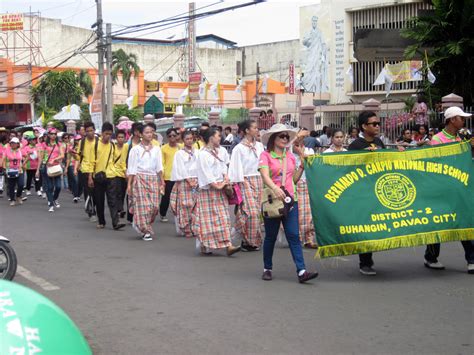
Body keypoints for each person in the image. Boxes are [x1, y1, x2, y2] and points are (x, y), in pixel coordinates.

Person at [258, 124, 319, 283]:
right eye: (282, 136)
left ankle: (302, 271)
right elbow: (265, 176)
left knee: (293, 235)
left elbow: (294, 180)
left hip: (291, 200)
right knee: (270, 236)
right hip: (273, 200)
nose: (285, 139)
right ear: (273, 139)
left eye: (287, 136)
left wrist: (302, 165)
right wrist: (275, 188)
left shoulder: (290, 156)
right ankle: (267, 268)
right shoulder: (265, 155)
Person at [424, 106, 474, 274]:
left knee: (464, 221)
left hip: (459, 189)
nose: (464, 121)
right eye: (461, 118)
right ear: (452, 120)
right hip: (441, 189)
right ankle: (431, 257)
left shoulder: (462, 138)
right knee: (437, 223)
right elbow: (433, 165)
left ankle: (472, 260)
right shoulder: (437, 140)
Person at [348, 111, 387, 276]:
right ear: (364, 126)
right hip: (363, 192)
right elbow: (349, 169)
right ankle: (364, 262)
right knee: (366, 226)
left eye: (378, 123)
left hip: (379, 190)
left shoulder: (379, 142)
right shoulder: (355, 145)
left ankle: (369, 258)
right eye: (374, 124)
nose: (377, 126)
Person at [194, 127, 241, 256]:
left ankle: (228, 245)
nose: (220, 138)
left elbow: (225, 166)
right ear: (211, 138)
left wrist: (226, 179)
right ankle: (205, 244)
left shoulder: (222, 152)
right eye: (218, 136)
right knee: (207, 220)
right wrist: (217, 185)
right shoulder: (202, 154)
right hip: (208, 191)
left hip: (220, 190)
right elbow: (205, 173)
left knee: (224, 218)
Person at [229, 119, 265, 251]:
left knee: (253, 212)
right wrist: (237, 183)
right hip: (245, 180)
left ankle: (246, 239)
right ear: (247, 131)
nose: (257, 130)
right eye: (254, 128)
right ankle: (246, 237)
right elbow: (235, 166)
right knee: (252, 212)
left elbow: (263, 163)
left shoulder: (259, 146)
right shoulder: (239, 148)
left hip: (259, 179)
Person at [127, 123, 165, 241]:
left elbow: (159, 167)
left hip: (153, 179)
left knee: (154, 207)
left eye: (151, 132)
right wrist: (129, 184)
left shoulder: (157, 149)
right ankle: (145, 230)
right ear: (141, 134)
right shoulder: (135, 150)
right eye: (147, 132)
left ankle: (143, 224)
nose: (150, 134)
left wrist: (162, 182)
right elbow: (132, 168)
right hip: (140, 179)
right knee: (144, 206)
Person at [92, 122, 125, 230]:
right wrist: (89, 177)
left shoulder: (112, 145)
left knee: (113, 200)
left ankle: (116, 222)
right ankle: (101, 221)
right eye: (106, 134)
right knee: (99, 200)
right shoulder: (95, 145)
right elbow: (91, 161)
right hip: (98, 176)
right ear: (102, 133)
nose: (108, 136)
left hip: (111, 175)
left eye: (110, 134)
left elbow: (114, 160)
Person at [170, 130, 199, 238]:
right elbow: (180, 168)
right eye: (187, 139)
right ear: (183, 140)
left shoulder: (198, 152)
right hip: (184, 181)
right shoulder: (179, 153)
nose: (189, 141)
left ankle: (195, 227)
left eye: (191, 138)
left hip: (196, 180)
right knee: (185, 205)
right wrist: (188, 180)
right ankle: (186, 228)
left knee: (196, 205)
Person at [293, 136, 318, 249]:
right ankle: (297, 237)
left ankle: (309, 238)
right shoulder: (288, 153)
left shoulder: (309, 150)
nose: (298, 142)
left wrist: (302, 153)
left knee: (310, 213)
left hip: (308, 182)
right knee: (298, 213)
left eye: (301, 139)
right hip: (295, 184)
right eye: (296, 140)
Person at [37, 128, 64, 212]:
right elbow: (40, 158)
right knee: (50, 187)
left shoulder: (59, 144)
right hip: (46, 167)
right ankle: (50, 204)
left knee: (59, 186)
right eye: (51, 134)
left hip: (56, 167)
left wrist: (54, 160)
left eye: (55, 134)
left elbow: (62, 155)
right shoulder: (44, 145)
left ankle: (54, 199)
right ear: (48, 135)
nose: (53, 135)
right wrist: (37, 170)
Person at [75, 121, 98, 220]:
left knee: (96, 192)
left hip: (97, 170)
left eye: (91, 130)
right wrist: (74, 156)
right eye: (87, 131)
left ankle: (95, 208)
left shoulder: (99, 141)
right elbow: (79, 156)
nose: (90, 133)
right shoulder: (82, 142)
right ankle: (90, 211)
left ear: (94, 130)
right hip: (84, 169)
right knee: (88, 191)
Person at [159, 128, 181, 222]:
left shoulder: (181, 147)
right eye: (170, 136)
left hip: (179, 175)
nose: (172, 137)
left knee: (179, 196)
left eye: (174, 135)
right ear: (167, 137)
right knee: (166, 196)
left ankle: (178, 214)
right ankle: (163, 213)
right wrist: (162, 178)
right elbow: (162, 163)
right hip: (168, 176)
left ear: (177, 136)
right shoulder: (163, 148)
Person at [111, 129, 129, 219]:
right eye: (119, 137)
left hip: (124, 173)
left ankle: (119, 208)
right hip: (115, 172)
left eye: (122, 137)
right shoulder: (113, 147)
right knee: (118, 192)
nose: (121, 139)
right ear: (116, 138)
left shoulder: (127, 147)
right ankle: (121, 209)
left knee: (123, 192)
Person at [3, 137, 24, 206]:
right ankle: (12, 199)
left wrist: (23, 164)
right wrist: (5, 168)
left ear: (18, 144)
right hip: (10, 170)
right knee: (11, 186)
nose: (13, 144)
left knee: (21, 184)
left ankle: (18, 196)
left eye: (14, 143)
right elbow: (3, 159)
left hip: (19, 170)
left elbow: (27, 156)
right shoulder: (7, 150)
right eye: (12, 143)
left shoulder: (20, 150)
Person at [67, 135, 82, 202]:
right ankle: (75, 195)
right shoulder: (71, 148)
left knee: (81, 182)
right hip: (72, 165)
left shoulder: (83, 147)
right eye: (77, 140)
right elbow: (68, 158)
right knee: (75, 180)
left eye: (79, 140)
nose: (78, 141)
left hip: (81, 166)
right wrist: (66, 167)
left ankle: (78, 194)